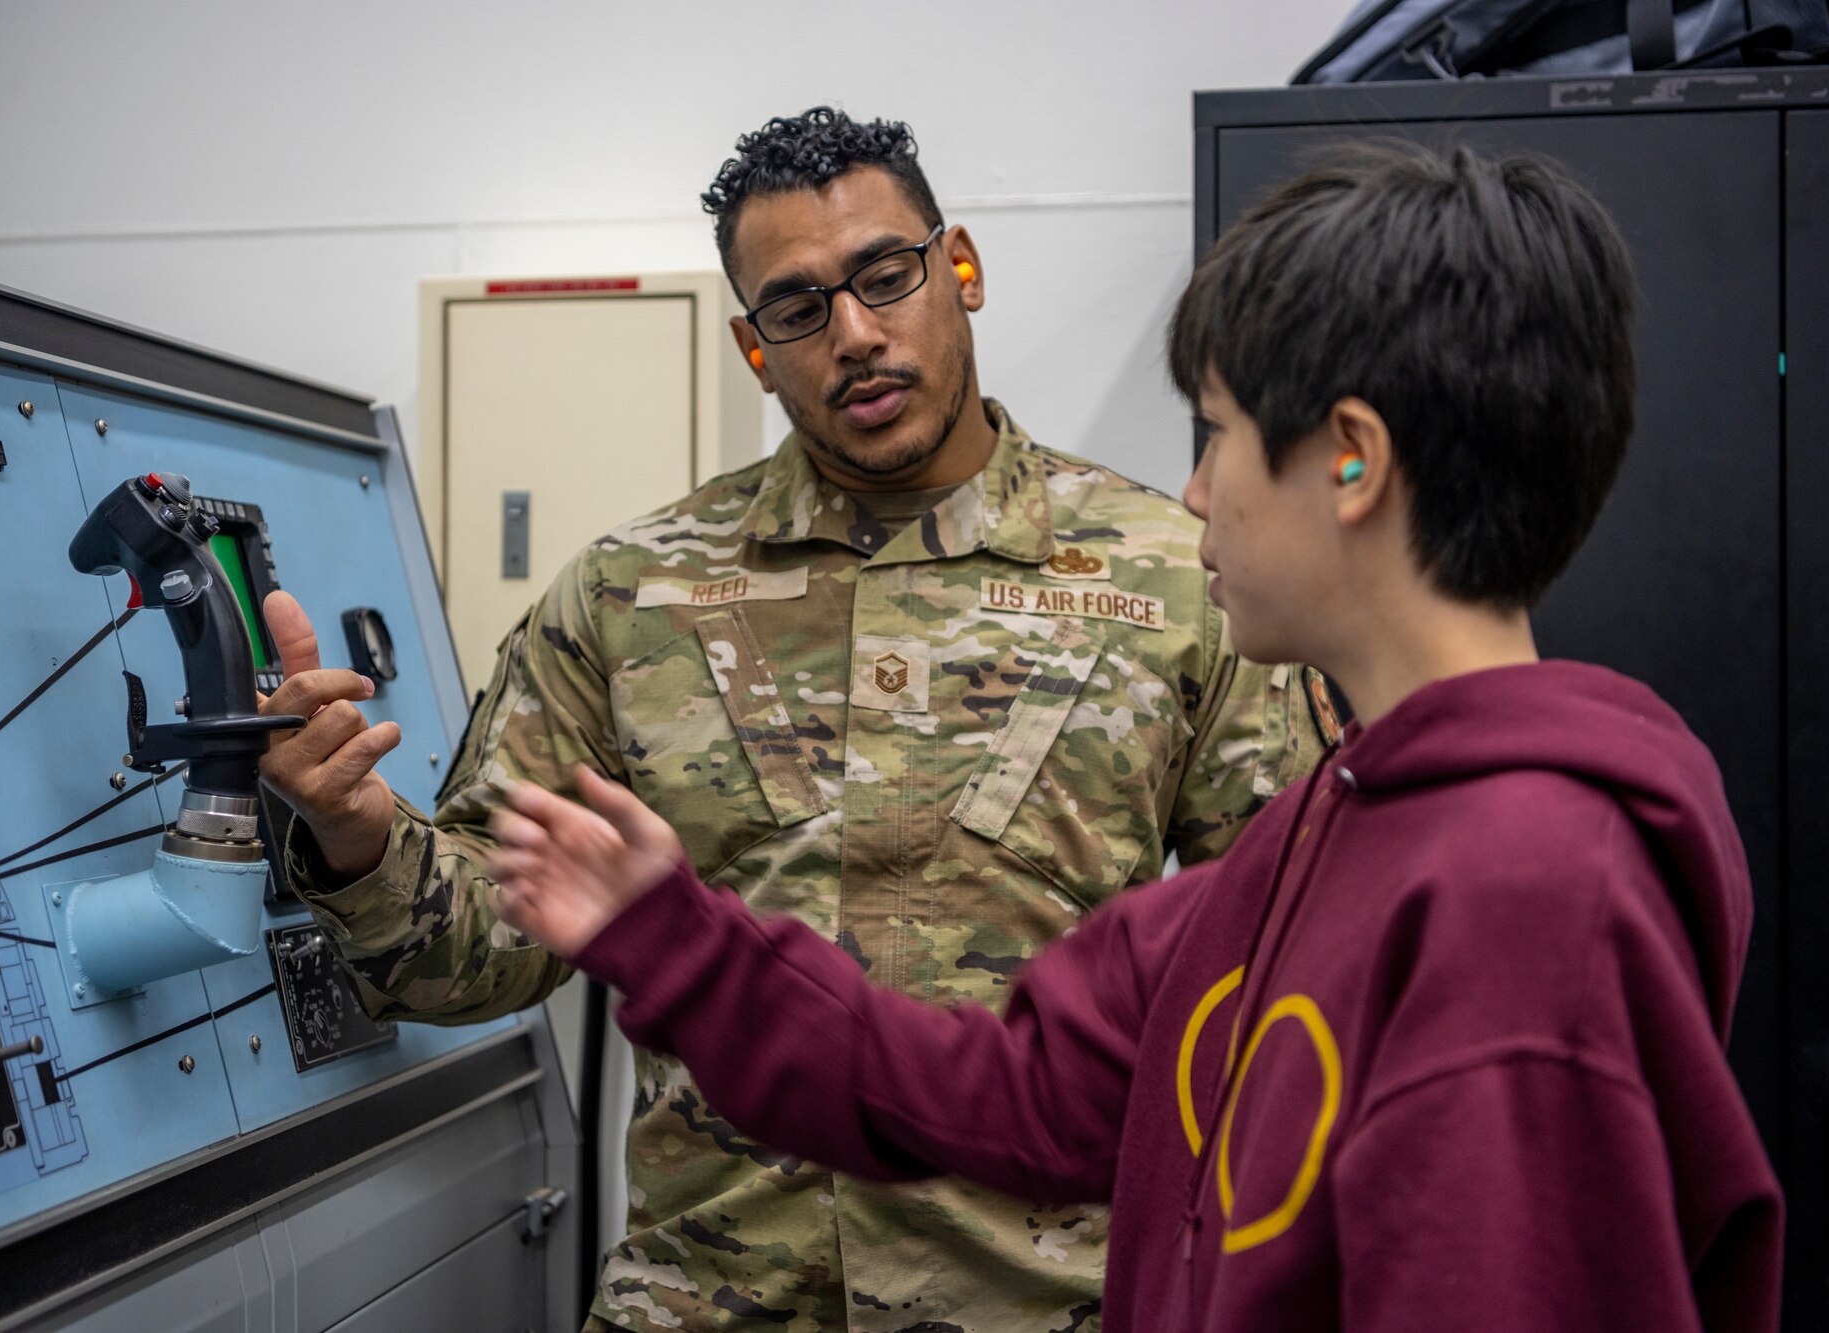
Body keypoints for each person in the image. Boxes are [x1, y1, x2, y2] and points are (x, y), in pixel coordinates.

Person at [481, 143, 1786, 1332]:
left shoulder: (1528, 894)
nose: (1194, 489)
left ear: (1350, 462)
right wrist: (673, 934)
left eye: (1216, 432)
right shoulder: (1301, 854)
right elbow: (996, 1093)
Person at [257, 107, 1324, 1331]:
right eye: (799, 307)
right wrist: (351, 834)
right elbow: (483, 959)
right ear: (752, 345)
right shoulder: (629, 594)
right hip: (714, 1303)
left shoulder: (1174, 579)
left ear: (958, 268)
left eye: (885, 275)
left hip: (1045, 1307)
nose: (856, 336)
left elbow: (1282, 963)